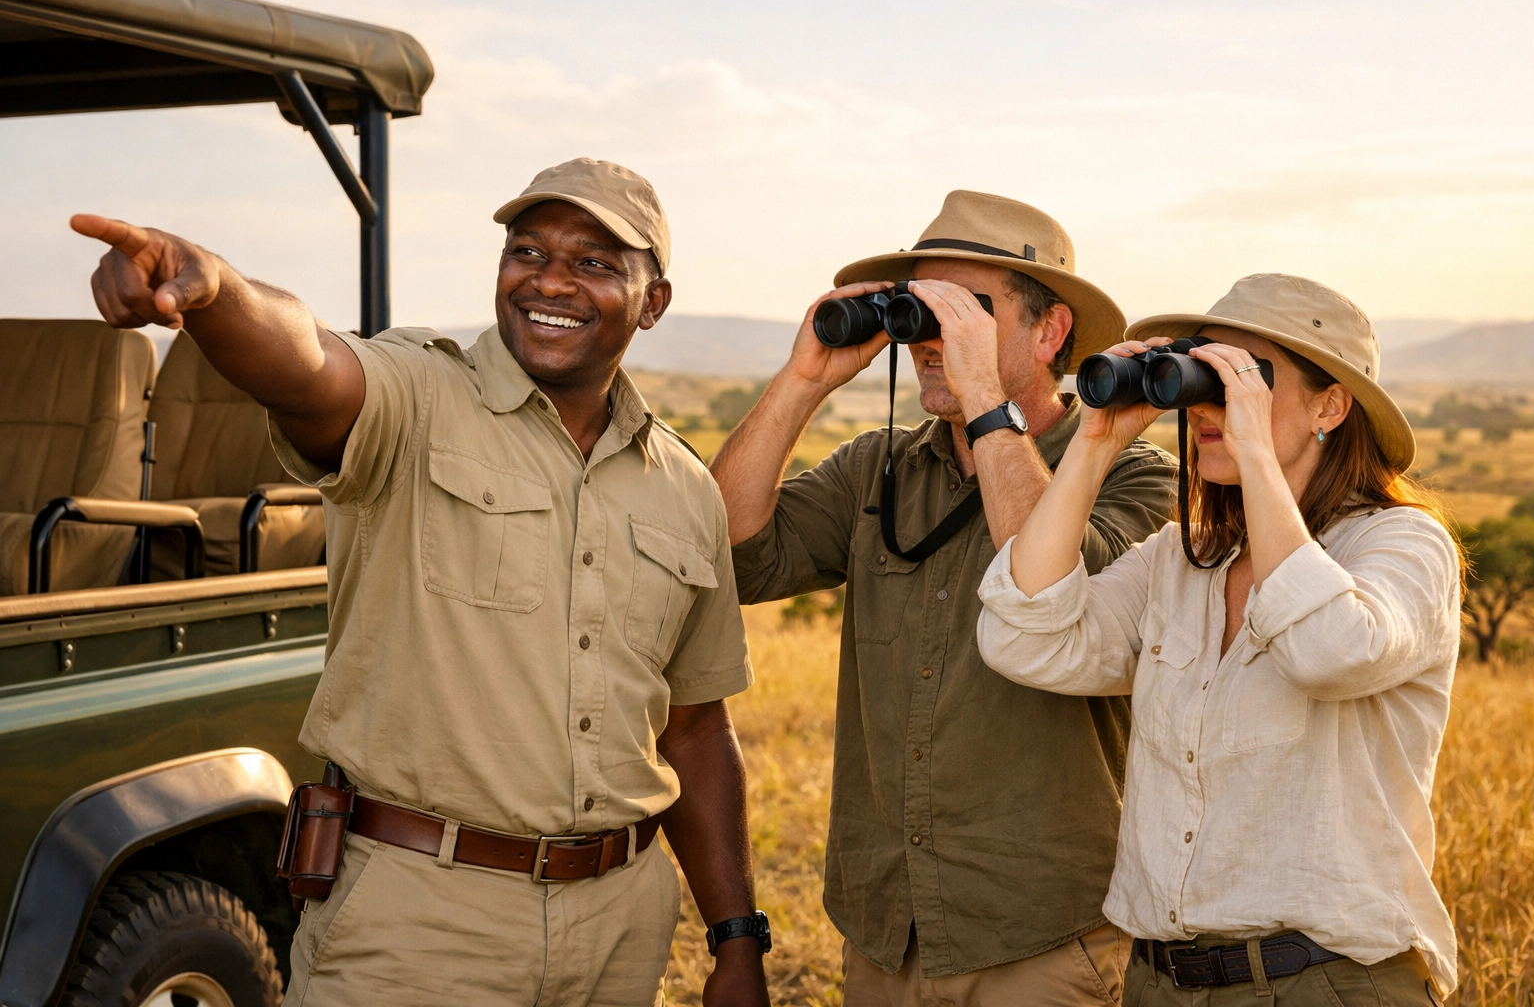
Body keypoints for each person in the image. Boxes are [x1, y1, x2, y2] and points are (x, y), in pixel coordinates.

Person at [72, 158, 771, 1007]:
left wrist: (736, 936)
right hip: (418, 923)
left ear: (652, 302)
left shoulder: (684, 488)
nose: (550, 281)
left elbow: (695, 730)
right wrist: (216, 293)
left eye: (594, 263)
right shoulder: (417, 395)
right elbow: (307, 363)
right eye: (527, 252)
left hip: (621, 930)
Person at [712, 190, 1177, 1005]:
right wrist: (802, 380)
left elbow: (1050, 587)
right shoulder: (878, 469)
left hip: (1041, 931)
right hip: (886, 926)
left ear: (1050, 331)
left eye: (967, 310)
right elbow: (731, 549)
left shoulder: (1132, 473)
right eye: (922, 308)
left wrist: (983, 403)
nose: (934, 335)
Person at [976, 274, 1463, 1004]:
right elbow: (1026, 638)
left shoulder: (1400, 546)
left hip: (1326, 982)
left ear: (1331, 406)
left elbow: (1329, 650)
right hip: (1162, 984)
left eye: (1245, 380)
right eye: (1203, 375)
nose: (1210, 405)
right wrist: (1093, 445)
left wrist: (1256, 458)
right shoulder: (1182, 559)